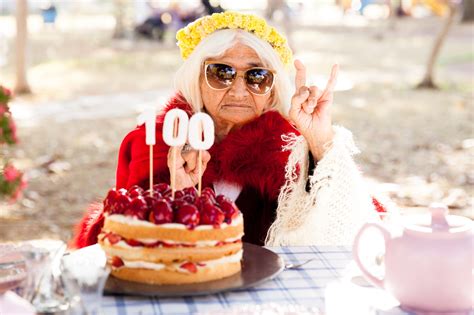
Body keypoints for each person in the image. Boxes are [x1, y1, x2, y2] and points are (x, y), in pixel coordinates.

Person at [73, 11, 385, 248]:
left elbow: (362, 226)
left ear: (273, 88)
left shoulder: (290, 148)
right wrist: (173, 197)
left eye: (256, 76)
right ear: (196, 78)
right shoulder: (154, 141)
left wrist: (319, 142)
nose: (238, 91)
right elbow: (112, 239)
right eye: (221, 72)